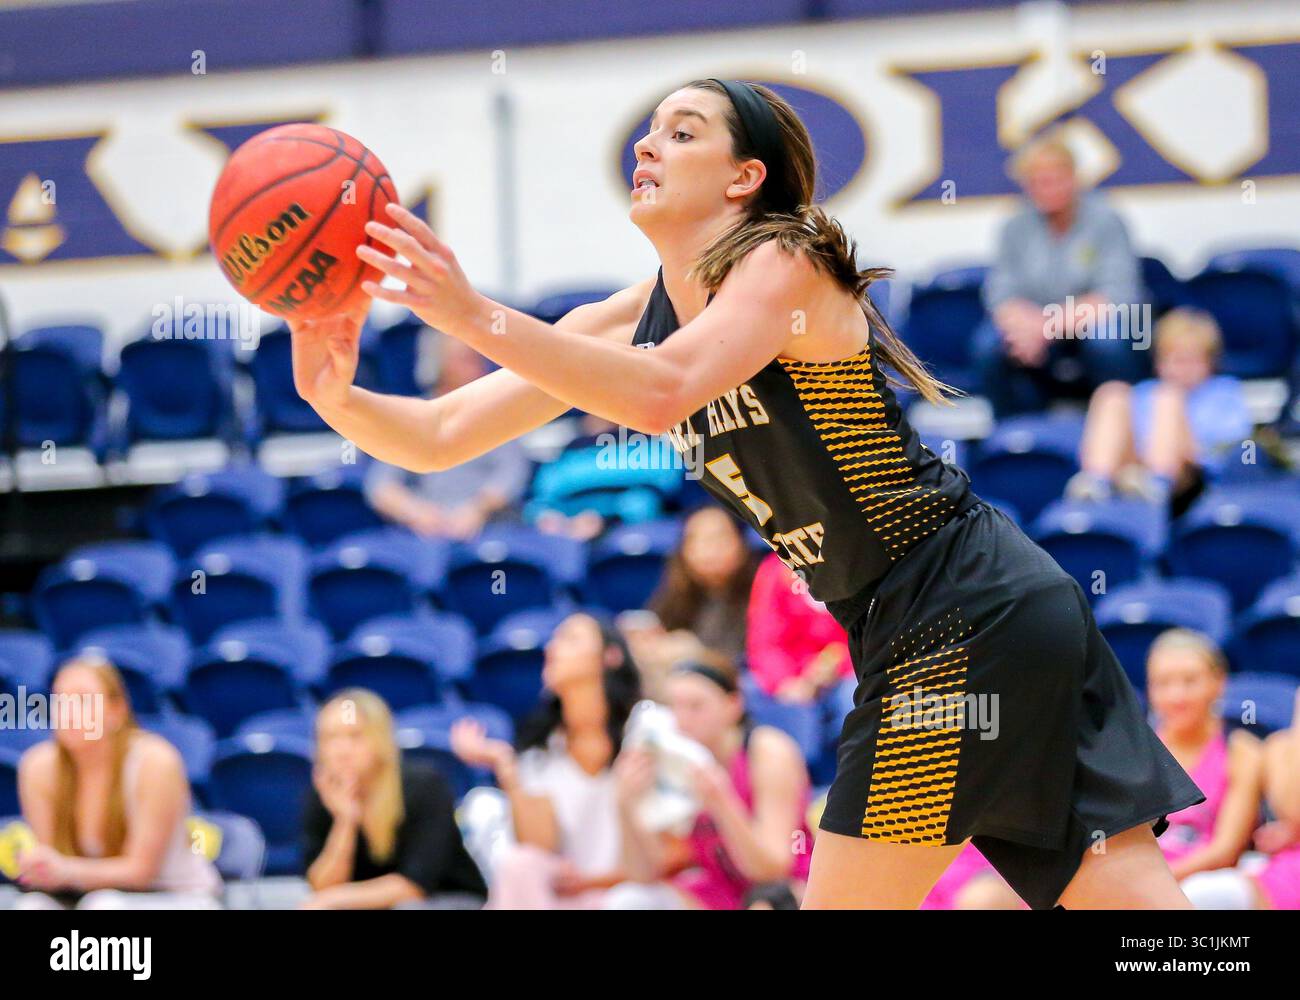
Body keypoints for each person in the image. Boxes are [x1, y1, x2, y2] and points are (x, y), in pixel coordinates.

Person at [289, 77, 1204, 908]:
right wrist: (328, 389)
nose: (646, 146)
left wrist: (472, 313)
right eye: (646, 130)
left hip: (960, 615)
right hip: (968, 617)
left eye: (680, 133)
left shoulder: (787, 263)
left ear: (744, 177)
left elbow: (660, 390)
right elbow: (442, 436)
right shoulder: (626, 318)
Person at [450, 611, 640, 908]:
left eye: (570, 639)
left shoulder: (643, 732)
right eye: (553, 640)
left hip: (634, 891)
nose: (552, 648)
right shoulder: (540, 751)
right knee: (519, 862)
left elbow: (677, 850)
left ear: (611, 656)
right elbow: (540, 846)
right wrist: (505, 765)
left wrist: (596, 881)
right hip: (565, 897)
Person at [14, 655, 222, 909]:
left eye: (83, 701)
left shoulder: (154, 762)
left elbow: (141, 872)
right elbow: (52, 868)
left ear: (117, 711)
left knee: (106, 905)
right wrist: (39, 868)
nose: (69, 713)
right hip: (84, 897)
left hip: (175, 896)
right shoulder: (38, 767)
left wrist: (65, 870)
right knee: (32, 906)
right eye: (60, 701)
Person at [607, 654, 813, 909]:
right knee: (630, 899)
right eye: (675, 706)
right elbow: (644, 874)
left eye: (696, 706)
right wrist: (625, 804)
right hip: (722, 890)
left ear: (733, 705)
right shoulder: (673, 763)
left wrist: (721, 802)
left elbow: (772, 868)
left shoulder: (766, 750)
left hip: (787, 890)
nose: (682, 719)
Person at [975, 132, 1147, 417]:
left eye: (1054, 178)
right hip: (1033, 324)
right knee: (988, 345)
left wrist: (1047, 326)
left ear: (1073, 177)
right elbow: (1000, 292)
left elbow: (1118, 294)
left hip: (1093, 322)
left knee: (1107, 342)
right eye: (1037, 181)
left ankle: (1119, 425)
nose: (1046, 188)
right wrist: (1022, 323)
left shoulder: (1106, 220)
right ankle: (1015, 438)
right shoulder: (1014, 226)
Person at [301, 689, 487, 909]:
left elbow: (414, 885)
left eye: (355, 736)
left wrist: (334, 899)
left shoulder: (424, 785)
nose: (342, 750)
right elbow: (322, 888)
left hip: (446, 899)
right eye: (331, 738)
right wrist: (345, 822)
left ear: (380, 738)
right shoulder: (323, 794)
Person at [1069, 308, 1252, 512]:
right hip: (1133, 472)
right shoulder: (1146, 392)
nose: (1182, 369)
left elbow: (1236, 449)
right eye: (1174, 360)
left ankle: (1157, 483)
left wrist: (1188, 444)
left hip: (1191, 482)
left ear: (1210, 362)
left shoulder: (1224, 392)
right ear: (1159, 362)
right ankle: (1095, 483)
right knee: (1112, 392)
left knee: (1169, 397)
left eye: (1190, 360)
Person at [365, 334, 531, 539]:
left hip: (490, 526)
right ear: (437, 365)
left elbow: (512, 473)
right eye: (466, 359)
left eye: (479, 358)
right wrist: (417, 512)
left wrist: (477, 509)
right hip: (428, 530)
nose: (479, 367)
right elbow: (381, 486)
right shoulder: (414, 416)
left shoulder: (497, 414)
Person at [1181, 688, 1300, 910]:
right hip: (1281, 868)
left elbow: (1225, 850)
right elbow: (1293, 809)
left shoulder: (1241, 749)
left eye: (1188, 682)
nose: (1177, 696)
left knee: (1201, 894)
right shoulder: (1279, 746)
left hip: (1192, 867)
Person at [647, 505, 757, 662]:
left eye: (718, 538)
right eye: (696, 539)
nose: (708, 549)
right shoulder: (675, 595)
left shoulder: (763, 594)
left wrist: (693, 652)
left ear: (741, 544)